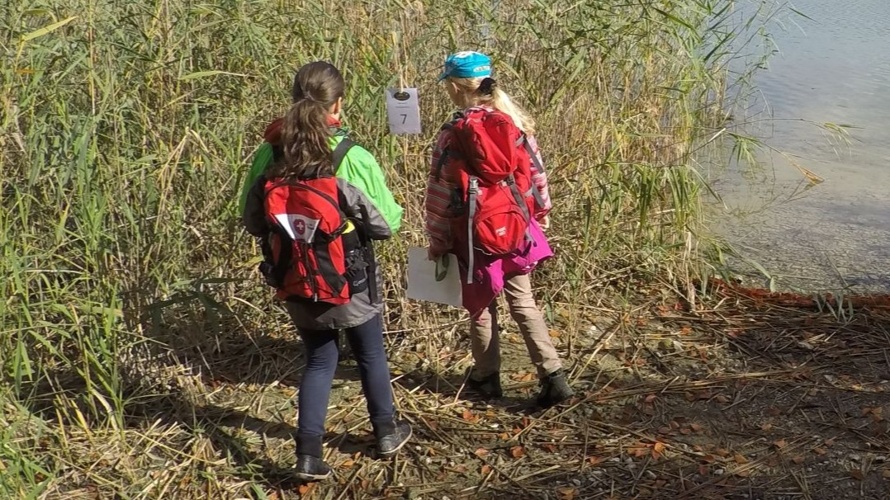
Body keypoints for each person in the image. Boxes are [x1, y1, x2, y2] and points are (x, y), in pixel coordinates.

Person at [243, 61, 410, 481]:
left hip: (295, 276)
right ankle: (386, 432)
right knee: (370, 354)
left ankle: (308, 456)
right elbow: (387, 223)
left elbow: (252, 221)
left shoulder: (269, 153)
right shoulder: (350, 156)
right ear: (338, 104)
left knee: (319, 360)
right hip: (350, 277)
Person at [424, 51, 574, 408]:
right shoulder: (514, 122)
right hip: (516, 226)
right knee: (523, 301)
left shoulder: (452, 134)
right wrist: (541, 212)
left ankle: (486, 377)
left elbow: (439, 193)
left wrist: (438, 238)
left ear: (456, 87)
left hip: (473, 235)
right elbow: (537, 173)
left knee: (481, 306)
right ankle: (553, 377)